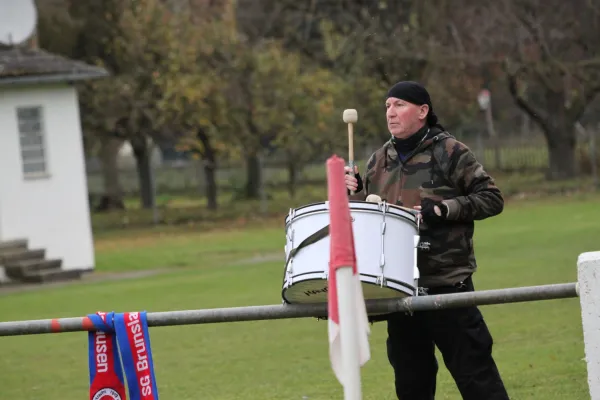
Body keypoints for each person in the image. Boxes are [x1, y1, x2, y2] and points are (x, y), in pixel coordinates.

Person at [345, 81, 509, 400]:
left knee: (476, 375)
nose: (391, 112)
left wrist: (446, 208)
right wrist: (353, 195)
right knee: (411, 381)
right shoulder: (378, 160)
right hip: (400, 285)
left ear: (422, 111)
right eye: (387, 106)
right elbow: (367, 218)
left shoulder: (451, 151)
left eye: (400, 105)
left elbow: (492, 198)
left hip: (447, 283)